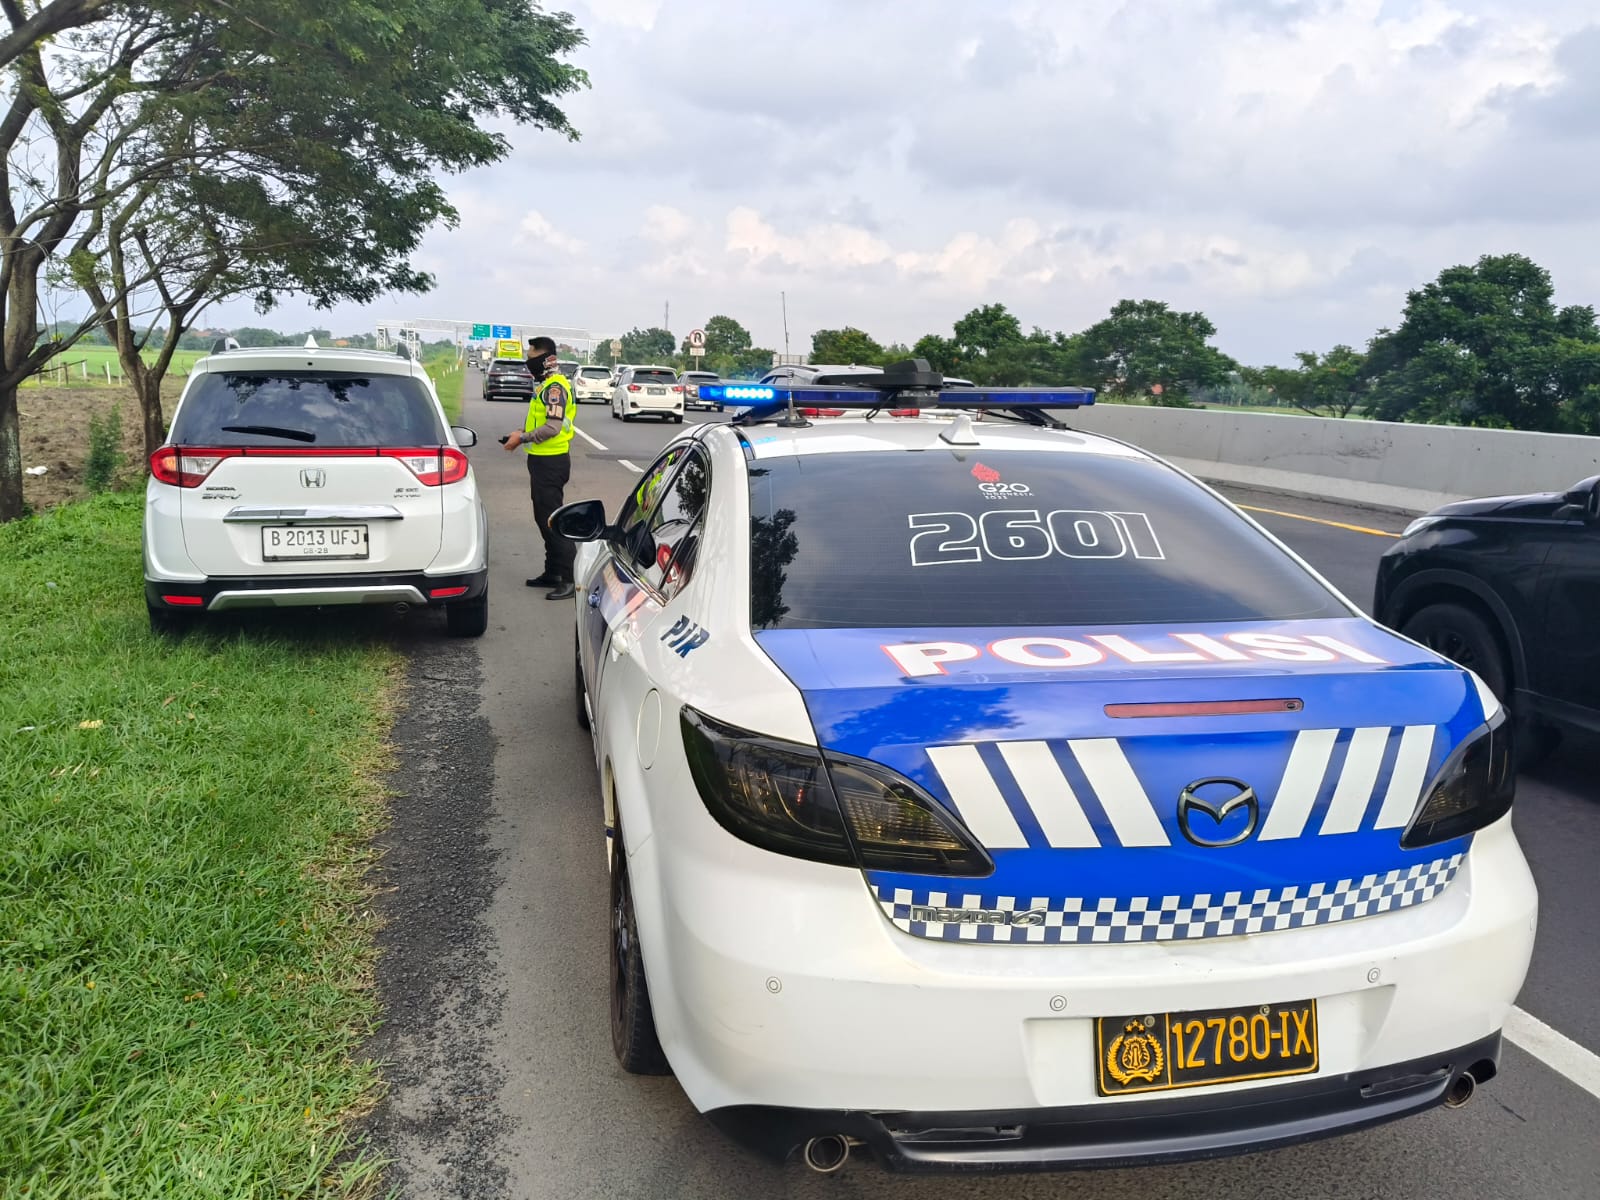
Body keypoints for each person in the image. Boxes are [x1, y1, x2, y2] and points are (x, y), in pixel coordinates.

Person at [502, 336, 578, 600]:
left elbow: (552, 428)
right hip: (543, 461)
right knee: (543, 517)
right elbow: (541, 421)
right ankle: (553, 572)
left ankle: (568, 578)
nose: (527, 359)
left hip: (551, 462)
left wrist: (520, 439)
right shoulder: (547, 385)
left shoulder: (555, 388)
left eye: (531, 354)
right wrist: (521, 431)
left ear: (545, 359)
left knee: (552, 520)